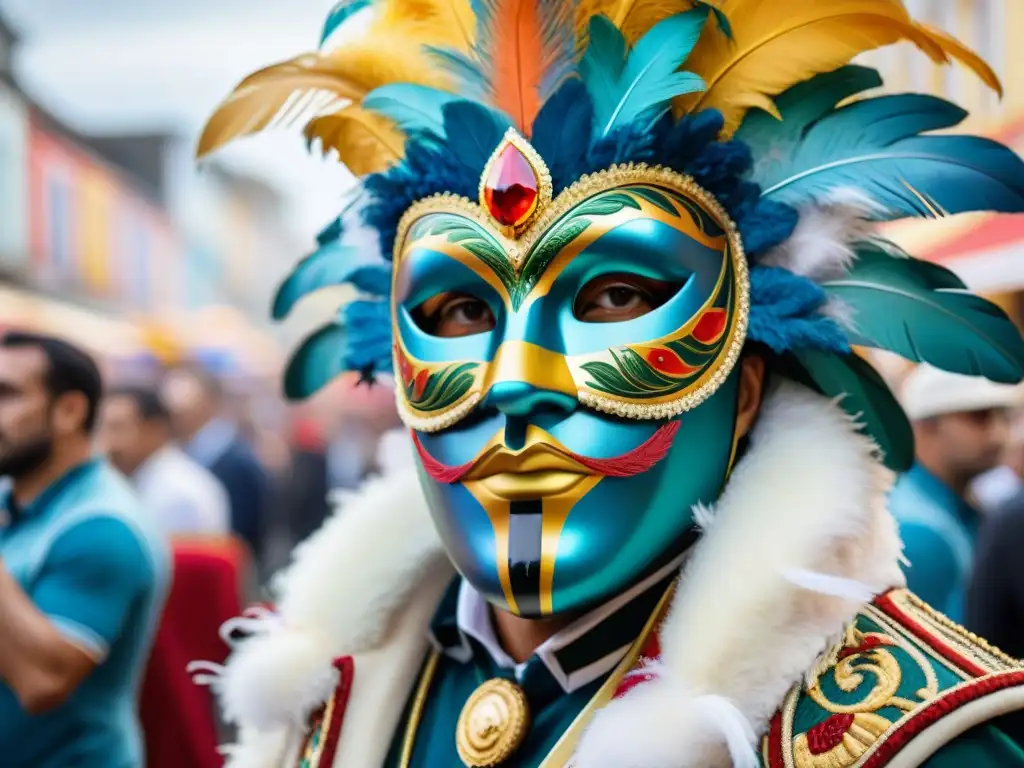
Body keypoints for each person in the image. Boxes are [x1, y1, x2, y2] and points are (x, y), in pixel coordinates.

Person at [194, 2, 1024, 766]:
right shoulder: (319, 698)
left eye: (617, 297)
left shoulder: (911, 743)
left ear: (743, 391)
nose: (515, 384)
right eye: (456, 311)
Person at [0, 332, 169, 767]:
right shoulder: (13, 498)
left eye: (7, 394)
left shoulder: (103, 527)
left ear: (70, 410)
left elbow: (42, 682)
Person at [888, 365, 1019, 621]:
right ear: (927, 424)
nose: (998, 434)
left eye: (1002, 416)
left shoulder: (960, 506)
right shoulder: (919, 530)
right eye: (978, 417)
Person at [160, 365, 269, 561]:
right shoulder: (173, 456)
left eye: (183, 406)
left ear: (210, 402)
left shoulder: (238, 463)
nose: (175, 413)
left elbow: (248, 537)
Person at [98, 386, 230, 536]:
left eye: (117, 428)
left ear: (154, 429)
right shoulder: (141, 478)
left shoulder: (179, 495)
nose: (108, 442)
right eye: (102, 428)